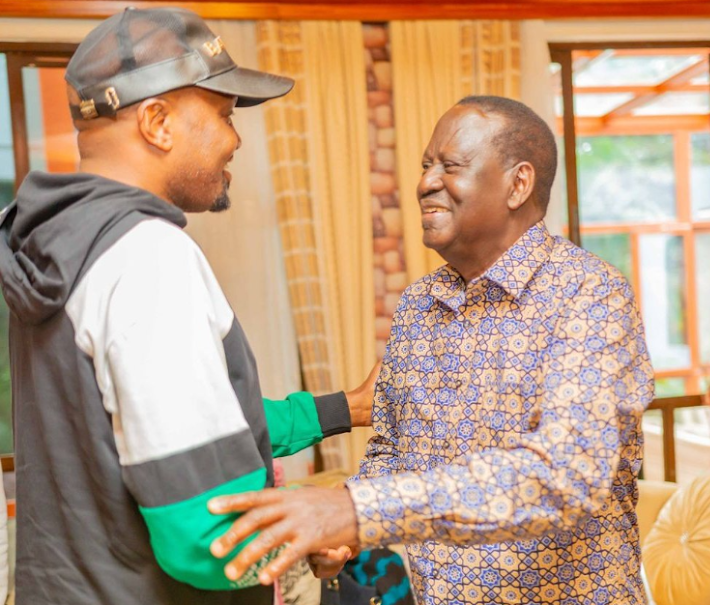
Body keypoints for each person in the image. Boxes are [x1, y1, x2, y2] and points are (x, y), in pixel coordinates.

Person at [209, 96, 655, 605]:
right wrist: (345, 526)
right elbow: (397, 449)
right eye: (425, 165)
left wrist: (356, 510)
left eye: (451, 166)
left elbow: (566, 472)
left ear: (518, 183)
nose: (425, 182)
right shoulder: (420, 304)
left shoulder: (589, 294)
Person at [0, 8, 377, 605]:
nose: (236, 138)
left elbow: (183, 425)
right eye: (225, 115)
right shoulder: (148, 255)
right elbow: (203, 538)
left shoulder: (62, 246)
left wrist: (345, 408)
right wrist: (314, 533)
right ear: (157, 121)